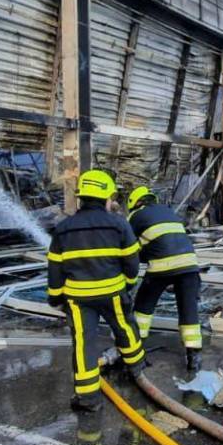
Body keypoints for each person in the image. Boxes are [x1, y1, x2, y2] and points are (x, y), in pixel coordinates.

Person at [48, 169, 143, 412]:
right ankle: (136, 370)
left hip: (78, 299)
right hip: (112, 293)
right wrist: (128, 284)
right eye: (111, 198)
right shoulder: (119, 225)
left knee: (84, 343)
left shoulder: (63, 228)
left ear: (82, 198)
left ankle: (88, 398)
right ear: (105, 199)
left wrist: (55, 297)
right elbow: (132, 261)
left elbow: (56, 269)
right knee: (125, 329)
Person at [126, 186, 203, 371]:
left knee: (143, 307)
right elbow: (166, 241)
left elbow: (128, 248)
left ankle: (136, 349)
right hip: (190, 265)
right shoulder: (169, 212)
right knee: (188, 310)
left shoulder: (135, 217)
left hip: (162, 266)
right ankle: (194, 358)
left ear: (134, 203)